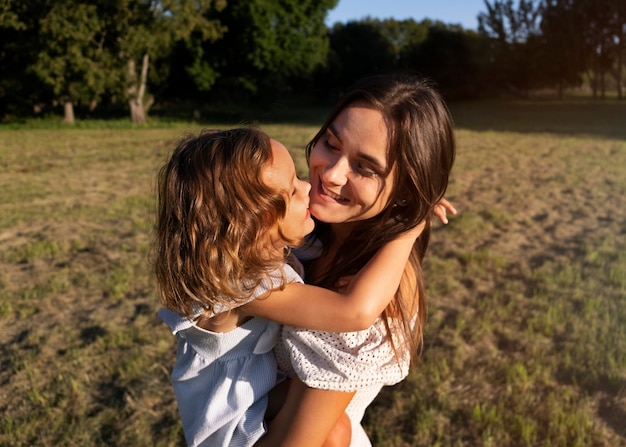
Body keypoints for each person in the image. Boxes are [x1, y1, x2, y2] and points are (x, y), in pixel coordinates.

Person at [155, 127, 425, 447]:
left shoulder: (260, 254)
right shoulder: (242, 282)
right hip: (231, 421)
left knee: (334, 427)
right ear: (253, 224)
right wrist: (410, 228)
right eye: (293, 191)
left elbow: (319, 248)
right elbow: (354, 312)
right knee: (335, 432)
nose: (308, 187)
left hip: (256, 393)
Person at [249, 72, 457, 447]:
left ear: (407, 193)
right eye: (330, 143)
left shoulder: (378, 295)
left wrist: (410, 227)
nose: (330, 175)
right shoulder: (302, 228)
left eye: (364, 167)